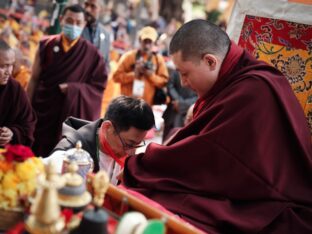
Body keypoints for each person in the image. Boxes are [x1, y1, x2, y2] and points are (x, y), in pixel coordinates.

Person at [121, 20, 312, 233]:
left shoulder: (254, 91)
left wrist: (145, 163)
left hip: (270, 199)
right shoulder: (233, 80)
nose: (183, 83)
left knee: (155, 193)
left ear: (211, 61)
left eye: (185, 74)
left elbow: (211, 153)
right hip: (245, 185)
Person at [27, 4, 107, 157]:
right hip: (43, 111)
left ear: (84, 24)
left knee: (59, 158)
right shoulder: (46, 45)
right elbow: (34, 79)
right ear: (61, 20)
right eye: (70, 21)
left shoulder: (92, 54)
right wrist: (27, 108)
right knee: (35, 154)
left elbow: (98, 87)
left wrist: (73, 89)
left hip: (69, 115)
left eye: (78, 22)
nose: (74, 25)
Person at [45, 95, 155, 185]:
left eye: (137, 145)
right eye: (129, 144)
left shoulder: (121, 146)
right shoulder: (69, 154)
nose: (130, 153)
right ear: (107, 127)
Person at [112, 26, 169, 105]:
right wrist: (134, 74)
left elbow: (164, 81)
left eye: (150, 42)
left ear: (154, 43)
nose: (147, 45)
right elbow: (116, 77)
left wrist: (151, 75)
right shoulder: (129, 56)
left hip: (147, 105)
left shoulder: (158, 60)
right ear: (139, 40)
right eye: (145, 41)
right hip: (127, 104)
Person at [0, 39, 36, 146]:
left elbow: (28, 124)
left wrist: (12, 133)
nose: (9, 72)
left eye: (11, 65)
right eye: (3, 66)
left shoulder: (15, 89)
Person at [162, 69, 197, 142]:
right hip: (172, 109)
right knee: (166, 138)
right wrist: (178, 100)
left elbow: (200, 94)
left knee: (179, 140)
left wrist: (182, 104)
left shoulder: (200, 71)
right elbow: (170, 86)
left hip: (188, 112)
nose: (183, 83)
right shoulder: (178, 68)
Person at [82, 0, 111, 72]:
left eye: (93, 6)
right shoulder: (75, 28)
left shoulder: (106, 34)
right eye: (86, 5)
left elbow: (106, 64)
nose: (87, 9)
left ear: (101, 10)